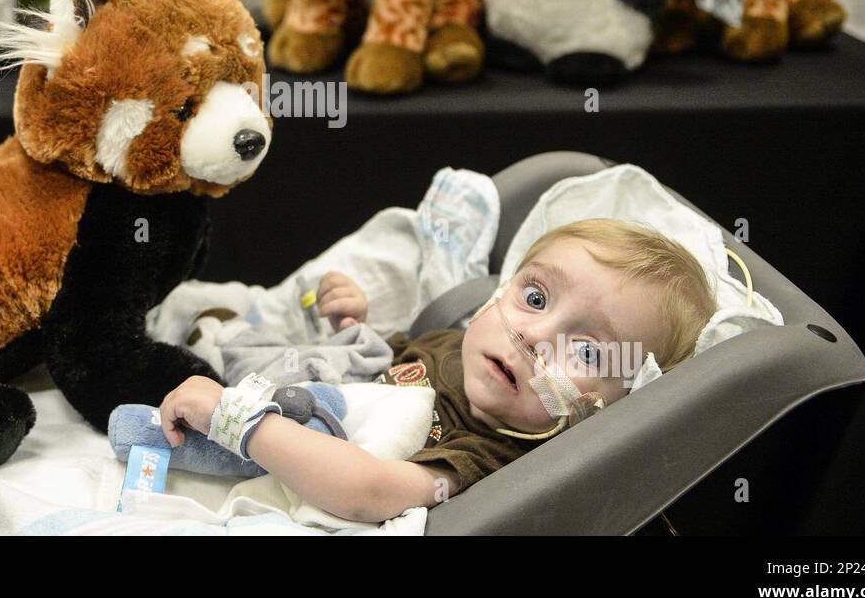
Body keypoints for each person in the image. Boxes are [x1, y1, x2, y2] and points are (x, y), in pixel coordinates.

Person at [158, 218, 717, 522]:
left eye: (589, 352)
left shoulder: (496, 456)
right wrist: (355, 332)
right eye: (537, 297)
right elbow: (376, 376)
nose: (533, 337)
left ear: (613, 409)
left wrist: (236, 420)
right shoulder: (455, 346)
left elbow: (369, 490)